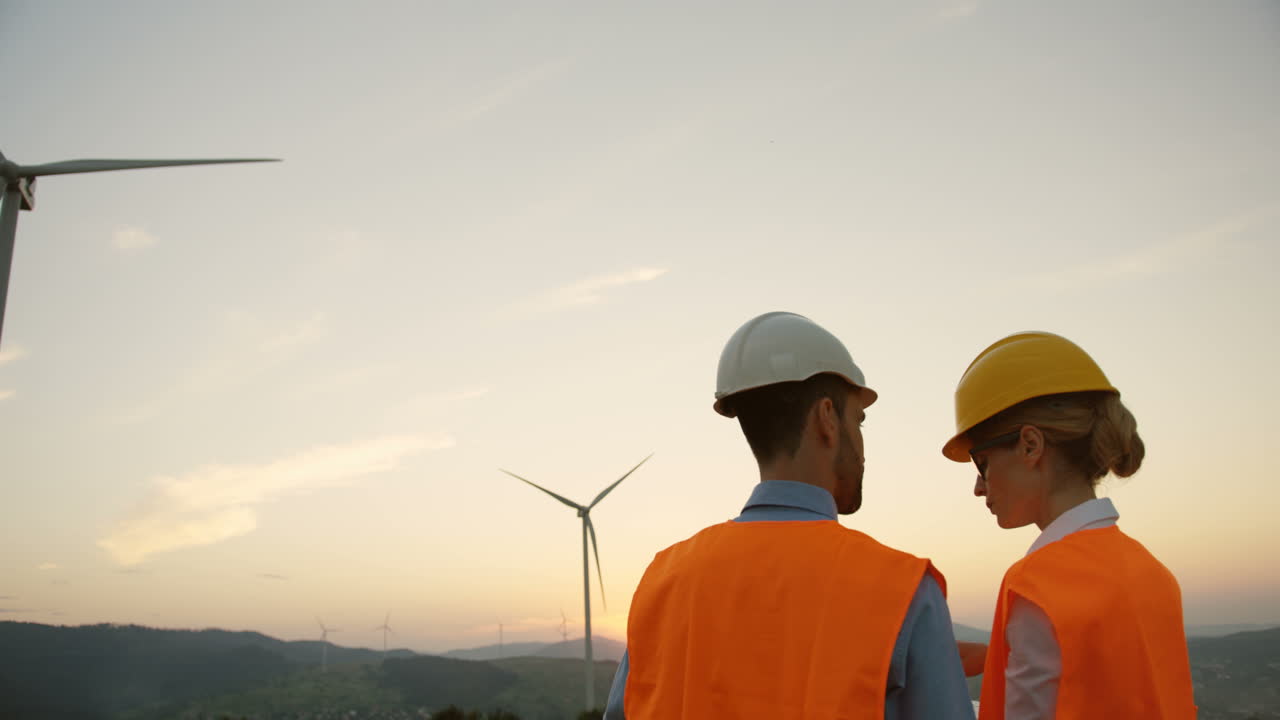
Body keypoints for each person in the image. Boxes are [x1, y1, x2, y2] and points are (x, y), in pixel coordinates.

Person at [604, 311, 975, 720]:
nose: (863, 445)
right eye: (859, 419)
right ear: (827, 418)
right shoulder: (901, 588)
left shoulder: (662, 581)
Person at [942, 331, 1197, 719]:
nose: (979, 487)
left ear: (1031, 445)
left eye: (982, 463)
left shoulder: (1037, 587)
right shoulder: (1153, 573)